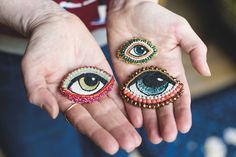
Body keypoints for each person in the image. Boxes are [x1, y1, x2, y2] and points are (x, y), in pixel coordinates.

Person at [0, 0, 211, 156]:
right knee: (41, 145)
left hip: (120, 31)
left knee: (115, 138)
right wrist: (39, 16)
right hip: (22, 48)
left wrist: (134, 3)